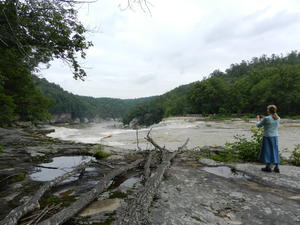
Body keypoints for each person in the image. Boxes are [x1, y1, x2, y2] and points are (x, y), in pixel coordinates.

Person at [256, 105, 280, 173]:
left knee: (267, 151)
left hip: (267, 136)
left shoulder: (267, 118)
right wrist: (264, 118)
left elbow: (258, 125)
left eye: (267, 109)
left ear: (268, 110)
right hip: (275, 136)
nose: (267, 110)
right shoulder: (278, 118)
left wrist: (258, 119)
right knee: (274, 151)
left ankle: (268, 167)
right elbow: (271, 121)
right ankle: (277, 167)